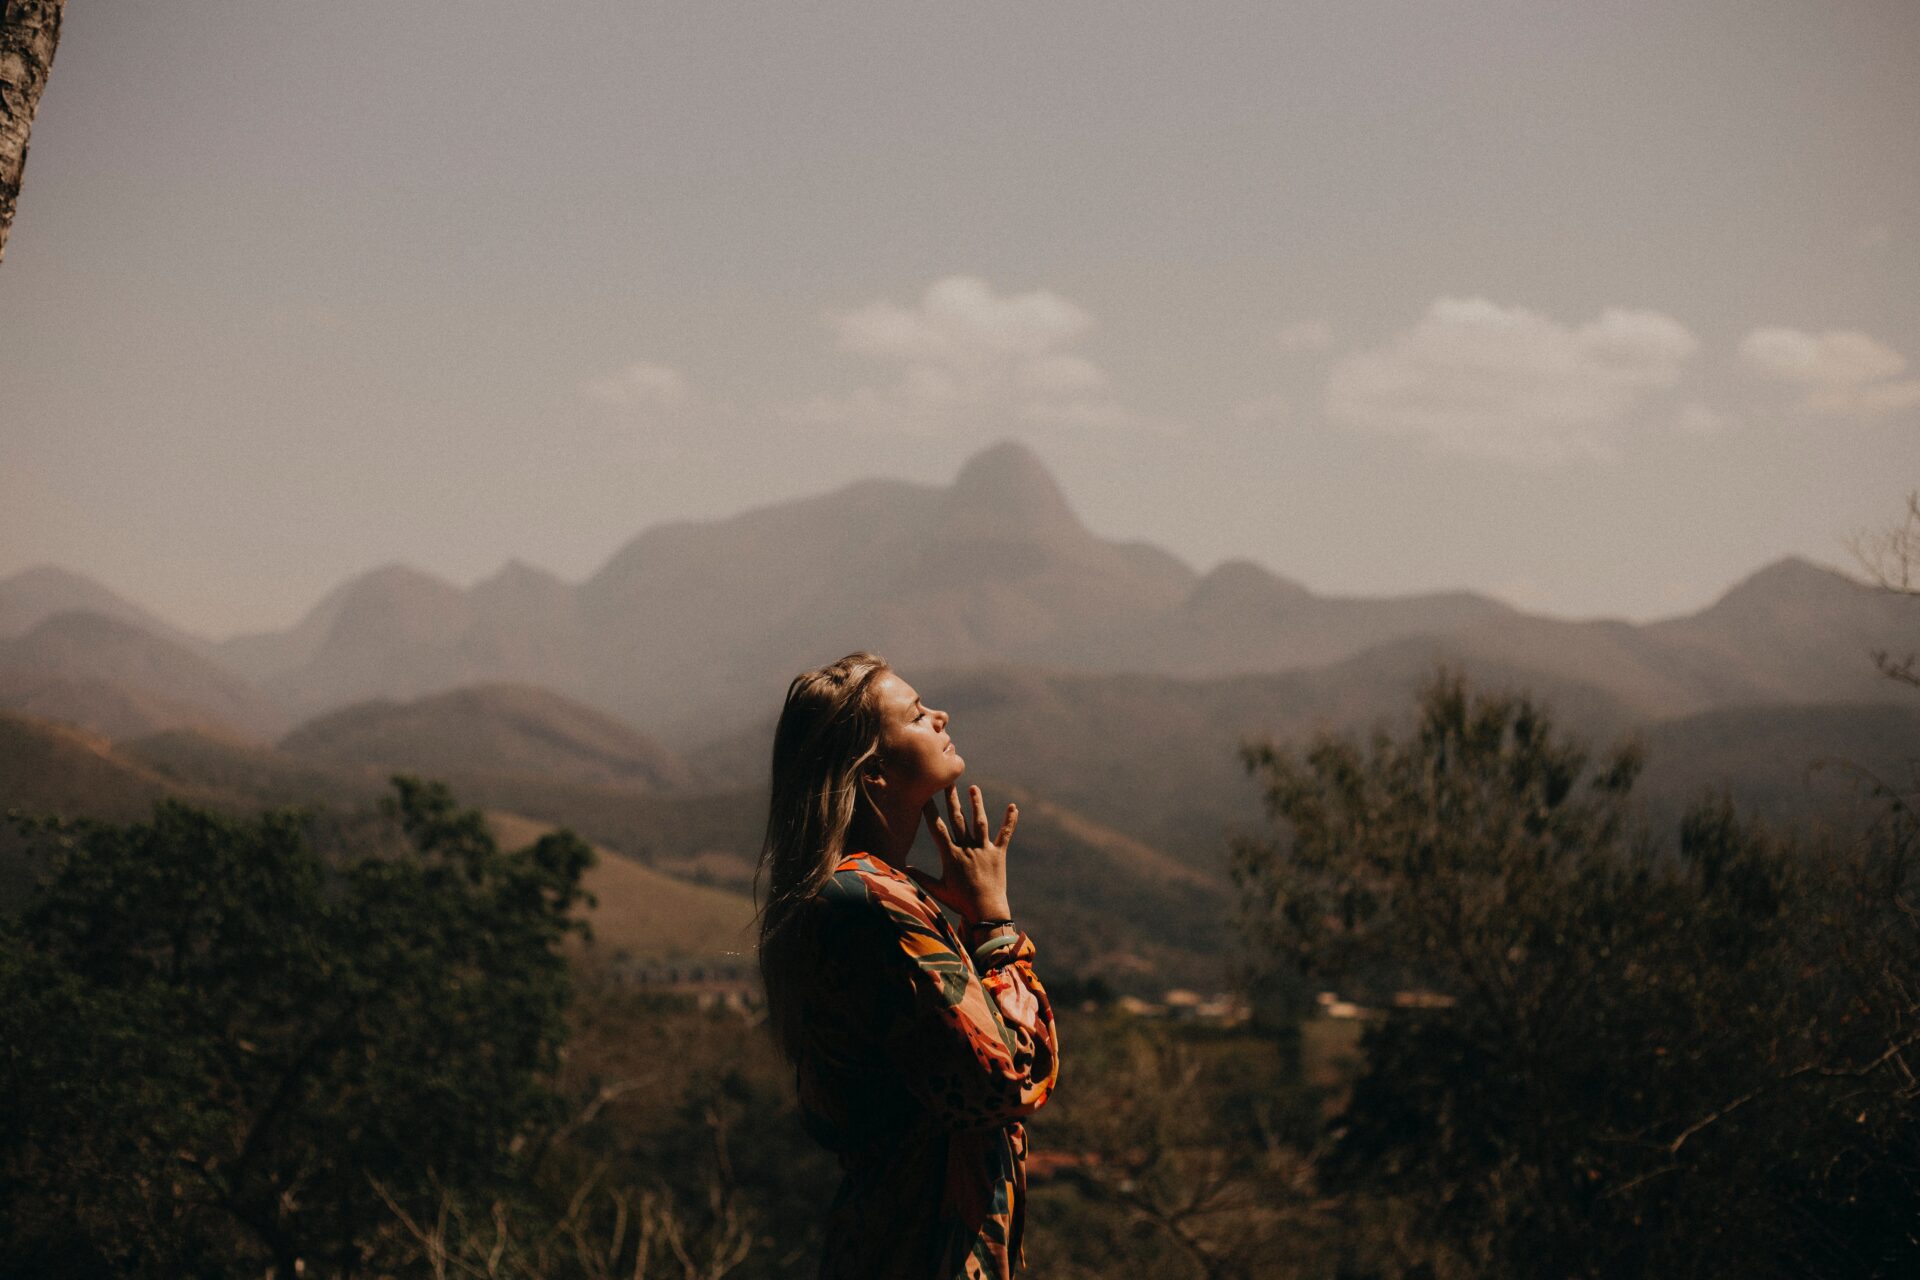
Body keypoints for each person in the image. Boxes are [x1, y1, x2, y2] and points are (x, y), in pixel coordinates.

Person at [757, 652, 1059, 1280]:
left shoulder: (871, 896)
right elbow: (1006, 1081)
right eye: (918, 715)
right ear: (873, 775)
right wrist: (996, 926)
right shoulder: (869, 904)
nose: (941, 715)